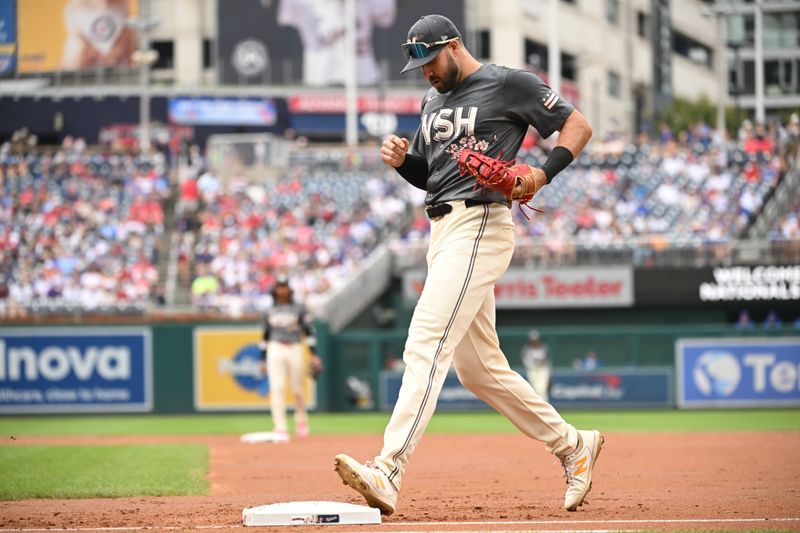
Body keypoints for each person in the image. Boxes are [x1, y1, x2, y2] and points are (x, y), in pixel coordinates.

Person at [333, 14, 600, 516]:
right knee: (478, 370)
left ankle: (388, 470)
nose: (427, 72)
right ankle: (573, 445)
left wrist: (541, 175)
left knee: (426, 343)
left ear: (453, 46)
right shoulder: (431, 100)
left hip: (481, 224)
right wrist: (402, 162)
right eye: (418, 65)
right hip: (443, 228)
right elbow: (432, 176)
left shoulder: (507, 83)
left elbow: (578, 125)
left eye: (430, 60)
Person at [260, 277, 319, 438]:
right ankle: (280, 425)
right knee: (276, 387)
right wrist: (262, 358)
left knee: (297, 388)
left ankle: (301, 420)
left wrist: (314, 354)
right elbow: (265, 336)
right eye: (279, 287)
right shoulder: (268, 310)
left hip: (294, 346)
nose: (282, 290)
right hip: (275, 347)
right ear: (275, 290)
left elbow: (309, 331)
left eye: (285, 286)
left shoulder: (298, 308)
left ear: (289, 289)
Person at [521, 330, 551, 402]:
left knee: (542, 389)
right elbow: (525, 361)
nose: (534, 341)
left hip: (542, 370)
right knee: (534, 389)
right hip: (532, 370)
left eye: (536, 339)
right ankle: (537, 406)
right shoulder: (526, 349)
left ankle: (545, 406)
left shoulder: (544, 347)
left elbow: (547, 360)